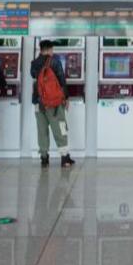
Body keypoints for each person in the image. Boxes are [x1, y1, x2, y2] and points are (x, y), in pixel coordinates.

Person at [30, 40, 76, 169]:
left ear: (40, 49)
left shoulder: (34, 63)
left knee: (42, 130)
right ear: (50, 49)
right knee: (60, 128)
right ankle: (64, 158)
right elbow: (61, 80)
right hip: (54, 102)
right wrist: (66, 98)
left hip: (38, 102)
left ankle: (44, 158)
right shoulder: (54, 61)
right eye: (52, 49)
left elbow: (34, 77)